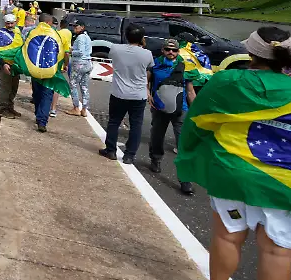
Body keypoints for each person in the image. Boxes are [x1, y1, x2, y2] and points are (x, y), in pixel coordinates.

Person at [177, 26, 291, 280]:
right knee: (278, 252)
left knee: (228, 236)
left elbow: (199, 120)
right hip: (288, 181)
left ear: (251, 52)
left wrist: (192, 154)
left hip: (234, 172)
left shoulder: (229, 81)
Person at [147, 37, 196, 196]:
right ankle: (155, 159)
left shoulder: (184, 66)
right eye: (168, 49)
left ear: (178, 51)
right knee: (157, 136)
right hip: (160, 107)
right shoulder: (155, 64)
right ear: (162, 50)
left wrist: (195, 110)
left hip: (181, 110)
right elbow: (146, 81)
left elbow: (190, 91)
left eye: (174, 50)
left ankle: (185, 179)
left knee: (183, 142)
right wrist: (148, 95)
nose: (171, 52)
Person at [99, 24, 154, 163]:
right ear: (142, 38)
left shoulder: (115, 49)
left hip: (119, 93)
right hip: (138, 95)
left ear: (125, 35)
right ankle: (129, 155)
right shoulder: (147, 53)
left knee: (114, 122)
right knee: (136, 125)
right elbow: (149, 68)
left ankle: (110, 150)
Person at [0, 14, 23, 119]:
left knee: (14, 87)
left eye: (12, 23)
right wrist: (3, 64)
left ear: (15, 22)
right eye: (8, 23)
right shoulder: (1, 34)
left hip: (16, 64)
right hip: (6, 64)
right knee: (5, 87)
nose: (10, 25)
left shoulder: (18, 32)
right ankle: (3, 108)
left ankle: (10, 107)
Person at [65, 19, 92, 117]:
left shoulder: (80, 37)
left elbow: (80, 52)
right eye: (74, 26)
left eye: (76, 26)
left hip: (79, 63)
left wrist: (70, 51)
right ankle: (84, 109)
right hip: (88, 63)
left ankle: (76, 107)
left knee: (73, 84)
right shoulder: (87, 37)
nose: (74, 28)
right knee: (84, 87)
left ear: (82, 27)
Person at [50, 17, 73, 117]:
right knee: (56, 86)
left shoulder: (54, 32)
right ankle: (53, 109)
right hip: (58, 63)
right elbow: (67, 53)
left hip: (48, 62)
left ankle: (42, 107)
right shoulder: (67, 33)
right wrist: (66, 64)